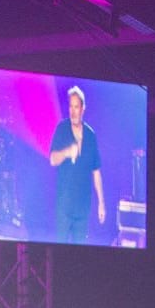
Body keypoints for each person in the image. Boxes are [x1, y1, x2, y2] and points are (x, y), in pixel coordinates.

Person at [49, 85, 105, 244]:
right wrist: (67, 152)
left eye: (76, 107)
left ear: (83, 109)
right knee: (60, 250)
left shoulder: (91, 135)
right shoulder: (62, 129)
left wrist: (101, 203)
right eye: (70, 106)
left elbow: (96, 172)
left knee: (79, 252)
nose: (73, 111)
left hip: (83, 207)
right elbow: (52, 160)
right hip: (64, 206)